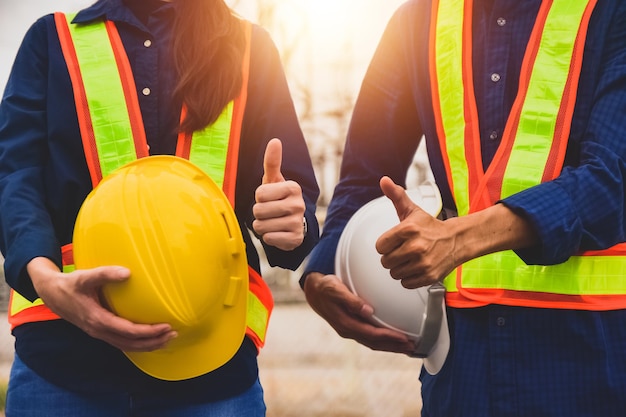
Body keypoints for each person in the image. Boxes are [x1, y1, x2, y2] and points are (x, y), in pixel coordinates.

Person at [301, 0, 626, 415]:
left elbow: (611, 178)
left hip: (589, 361)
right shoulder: (416, 21)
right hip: (463, 369)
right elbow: (366, 176)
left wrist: (457, 238)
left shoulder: (612, 11)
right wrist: (323, 270)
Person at [0, 0, 319, 415]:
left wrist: (289, 222)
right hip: (64, 363)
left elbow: (292, 205)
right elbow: (15, 175)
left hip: (210, 372)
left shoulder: (250, 48)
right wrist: (44, 279)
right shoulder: (52, 40)